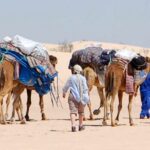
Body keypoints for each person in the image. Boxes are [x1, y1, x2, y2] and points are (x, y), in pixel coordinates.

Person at [63, 64, 89, 132]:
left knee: (73, 112)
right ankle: (80, 126)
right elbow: (85, 88)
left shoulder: (71, 77)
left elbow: (66, 86)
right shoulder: (83, 78)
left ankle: (73, 126)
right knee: (81, 112)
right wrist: (86, 97)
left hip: (73, 96)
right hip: (82, 97)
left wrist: (64, 92)